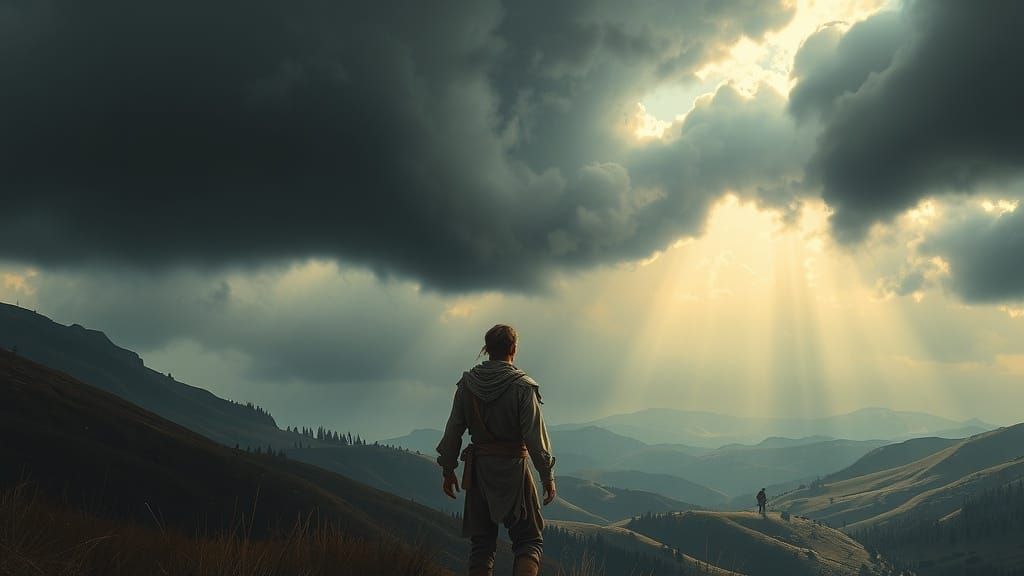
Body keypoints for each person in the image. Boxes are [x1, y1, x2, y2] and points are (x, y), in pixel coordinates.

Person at [436, 324, 557, 576]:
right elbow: (535, 437)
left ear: (486, 349)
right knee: (528, 541)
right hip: (514, 471)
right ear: (513, 348)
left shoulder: (467, 385)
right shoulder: (523, 387)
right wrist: (547, 476)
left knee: (482, 546)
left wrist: (448, 470)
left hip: (479, 471)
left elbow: (453, 431)